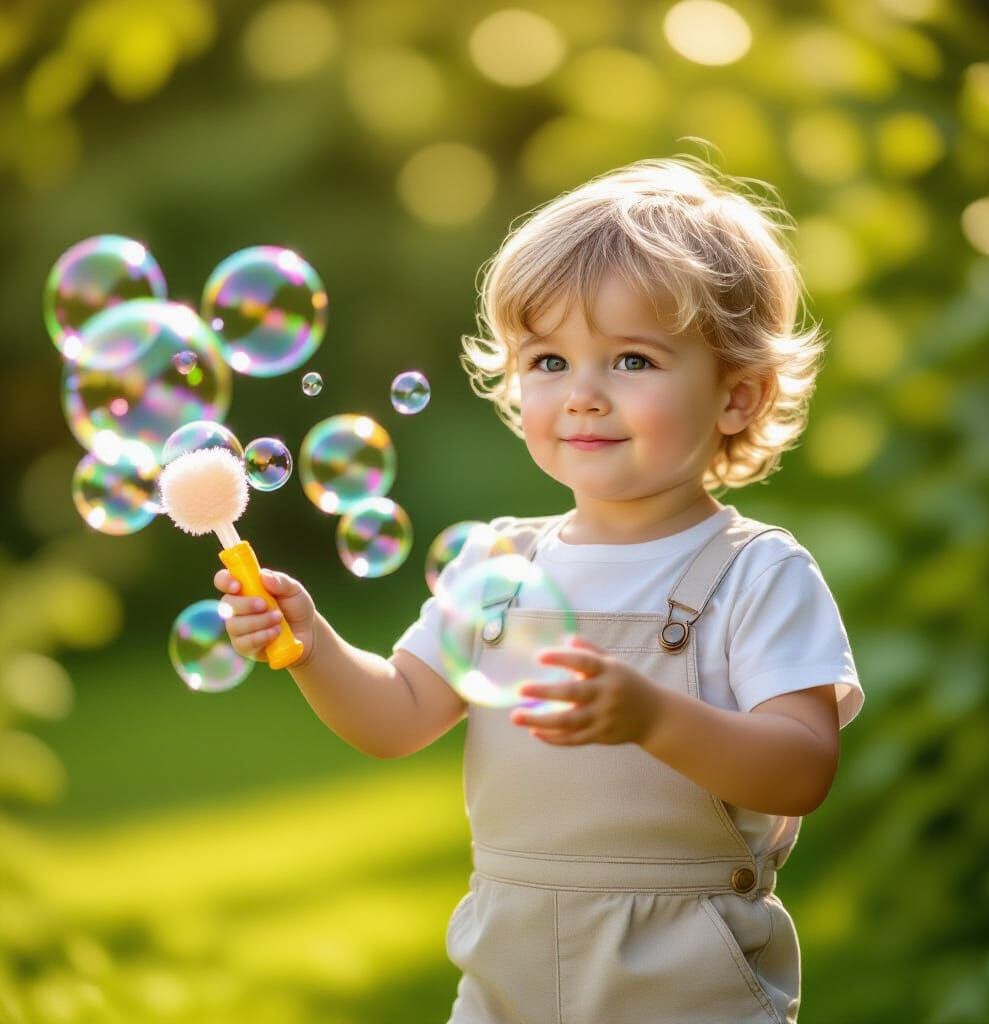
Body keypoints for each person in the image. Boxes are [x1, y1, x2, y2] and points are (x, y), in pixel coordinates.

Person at [214, 155, 863, 1024]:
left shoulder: (757, 573)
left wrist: (653, 717)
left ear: (737, 397)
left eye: (631, 360)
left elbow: (802, 767)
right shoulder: (498, 566)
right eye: (550, 360)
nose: (583, 396)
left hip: (686, 975)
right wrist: (312, 646)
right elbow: (396, 715)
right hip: (506, 974)